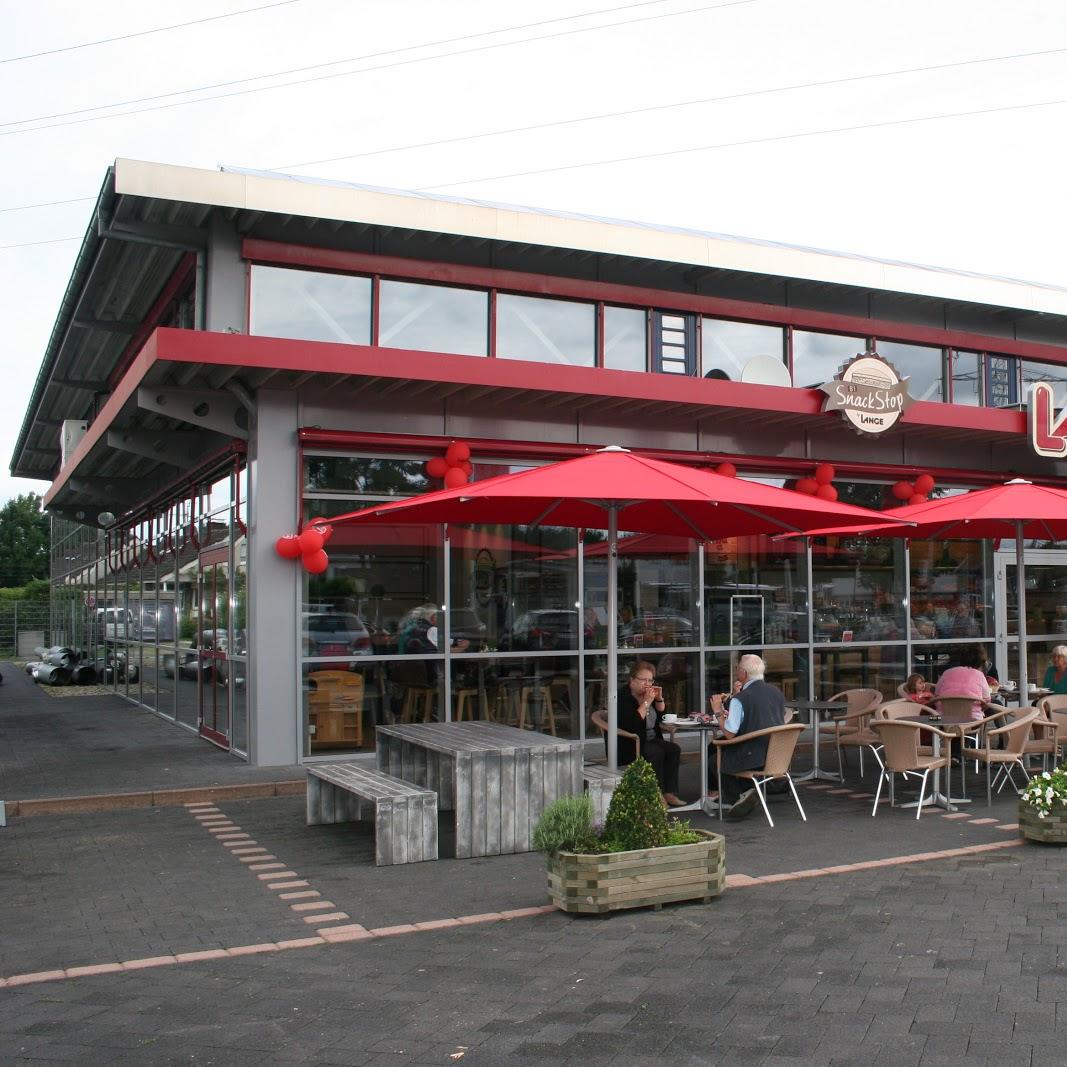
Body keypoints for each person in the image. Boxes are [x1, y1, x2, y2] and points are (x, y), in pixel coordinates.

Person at [708, 653, 786, 819]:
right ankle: (749, 790)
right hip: (776, 754)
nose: (736, 671)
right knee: (718, 748)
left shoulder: (741, 698)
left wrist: (717, 711)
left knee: (716, 759)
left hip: (753, 756)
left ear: (743, 673)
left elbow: (729, 734)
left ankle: (738, 797)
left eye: (737, 668)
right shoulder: (776, 692)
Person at [615, 660, 683, 807]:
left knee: (673, 749)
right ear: (632, 680)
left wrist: (659, 699)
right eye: (643, 680)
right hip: (631, 742)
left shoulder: (648, 695)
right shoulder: (622, 697)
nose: (647, 684)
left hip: (650, 738)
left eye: (650, 680)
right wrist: (646, 702)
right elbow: (632, 725)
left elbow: (661, 717)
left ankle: (669, 793)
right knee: (656, 752)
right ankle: (656, 795)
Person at [934, 644, 992, 719]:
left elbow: (936, 696)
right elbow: (987, 702)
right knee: (994, 706)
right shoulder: (979, 676)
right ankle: (1004, 730)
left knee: (930, 719)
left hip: (943, 720)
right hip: (972, 721)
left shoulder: (946, 673)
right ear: (981, 662)